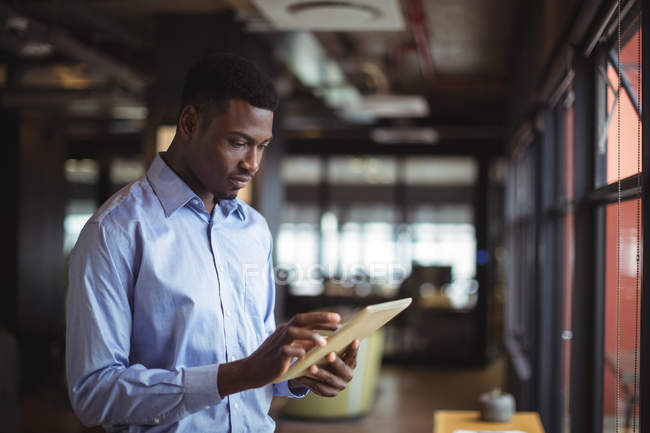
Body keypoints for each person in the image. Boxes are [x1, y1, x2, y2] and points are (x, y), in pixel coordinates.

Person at [66, 53, 360, 432]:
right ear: (189, 123)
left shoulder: (253, 230)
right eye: (238, 142)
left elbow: (254, 365)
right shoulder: (115, 231)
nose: (252, 163)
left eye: (262, 146)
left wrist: (301, 374)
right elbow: (94, 395)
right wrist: (236, 375)